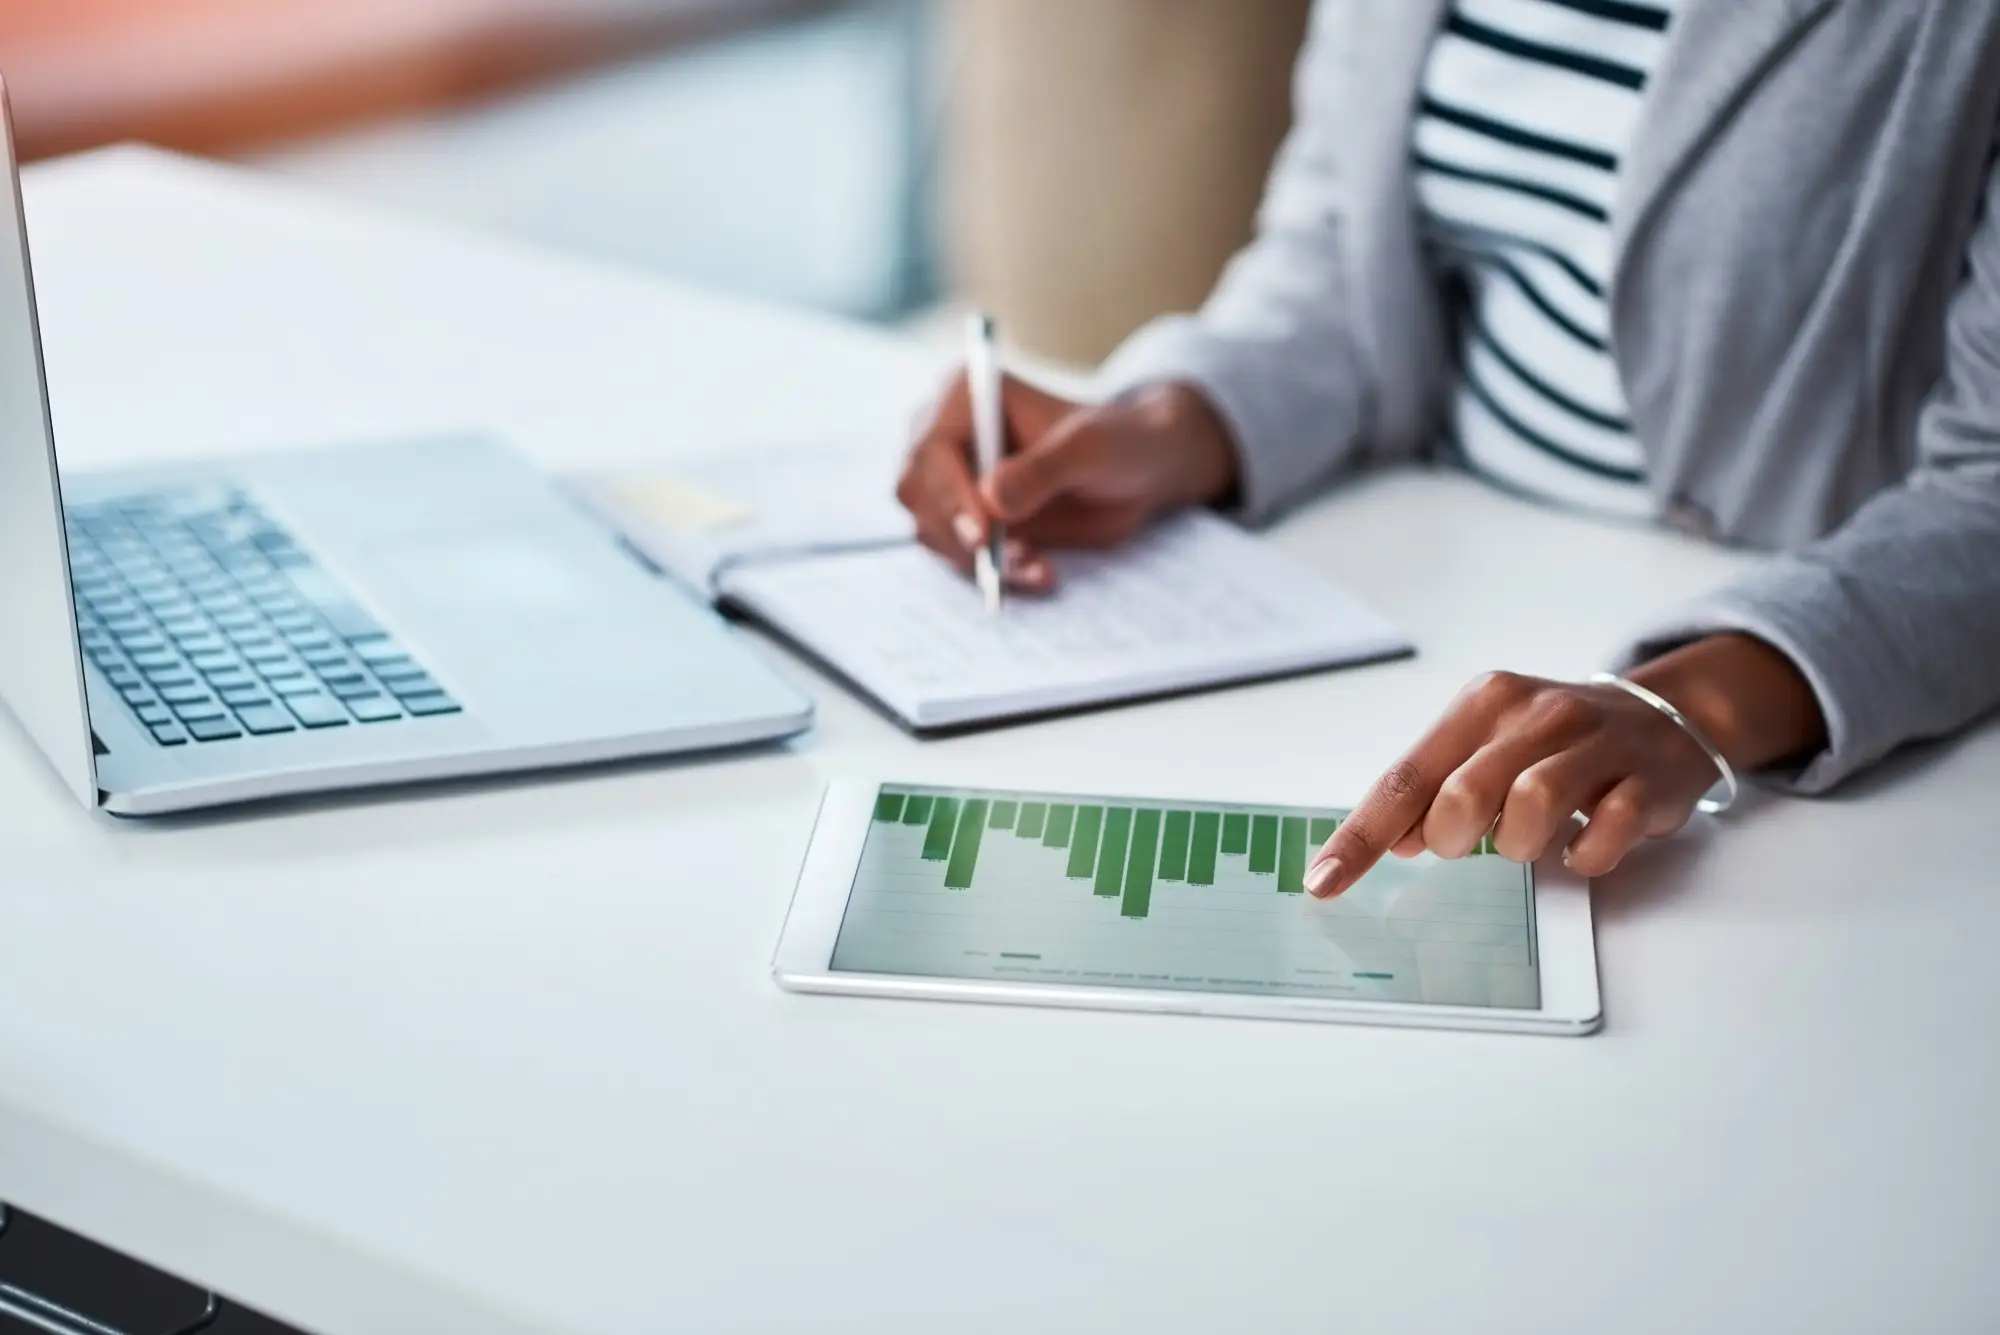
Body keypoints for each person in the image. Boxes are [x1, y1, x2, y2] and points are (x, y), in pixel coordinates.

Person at [897, 0, 2000, 897]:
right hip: (1427, 586)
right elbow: (1342, 252)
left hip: (1835, 712)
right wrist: (1173, 421)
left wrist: (1704, 702)